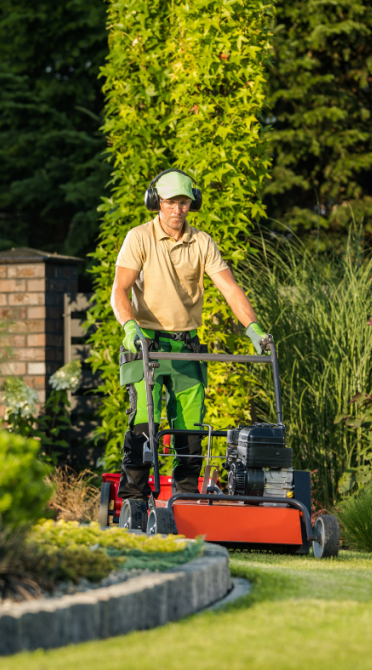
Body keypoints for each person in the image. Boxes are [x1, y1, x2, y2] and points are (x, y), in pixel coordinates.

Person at [110, 168, 269, 501]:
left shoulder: (202, 242)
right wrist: (129, 326)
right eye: (170, 202)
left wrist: (253, 328)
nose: (177, 210)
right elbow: (120, 289)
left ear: (192, 203)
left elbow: (229, 289)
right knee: (144, 424)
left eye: (183, 202)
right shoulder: (139, 237)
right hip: (146, 344)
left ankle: (184, 499)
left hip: (186, 347)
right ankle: (134, 500)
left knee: (190, 430)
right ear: (156, 202)